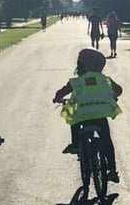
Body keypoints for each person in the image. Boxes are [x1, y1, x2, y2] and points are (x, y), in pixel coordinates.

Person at [53, 48, 123, 182]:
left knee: (74, 118)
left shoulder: (76, 82)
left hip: (82, 115)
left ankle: (75, 144)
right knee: (106, 140)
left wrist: (58, 99)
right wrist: (112, 97)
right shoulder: (104, 79)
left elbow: (61, 93)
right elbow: (119, 90)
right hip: (101, 115)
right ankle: (113, 170)